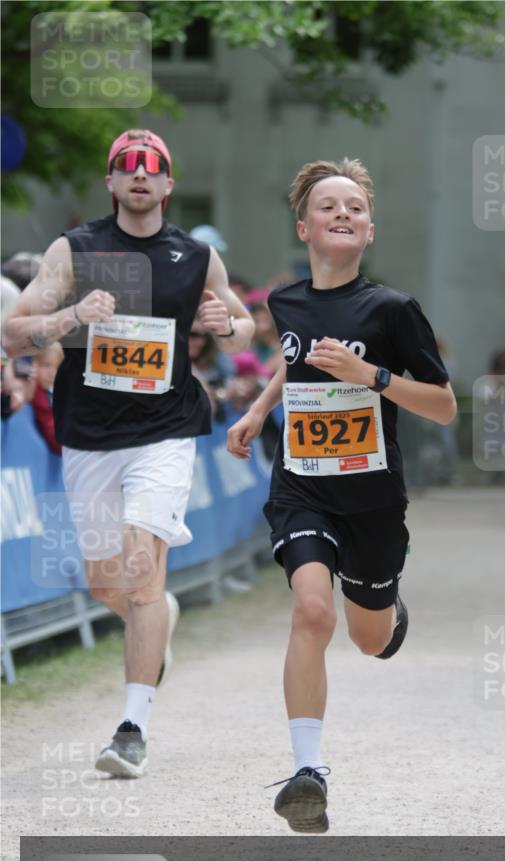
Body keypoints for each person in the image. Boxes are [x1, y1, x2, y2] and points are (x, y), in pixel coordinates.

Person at [3, 128, 253, 777]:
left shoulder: (196, 257)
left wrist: (231, 327)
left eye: (153, 166)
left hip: (166, 430)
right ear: (111, 182)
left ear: (168, 184)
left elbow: (243, 320)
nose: (140, 174)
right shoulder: (75, 249)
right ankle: (157, 616)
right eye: (126, 165)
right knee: (105, 581)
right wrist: (67, 318)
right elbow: (11, 332)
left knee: (143, 566)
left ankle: (131, 728)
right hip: (88, 436)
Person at [227, 158, 457, 833]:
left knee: (367, 637)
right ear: (304, 226)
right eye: (330, 205)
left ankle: (387, 612)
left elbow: (443, 406)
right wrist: (259, 410)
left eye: (355, 206)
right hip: (302, 486)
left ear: (370, 230)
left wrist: (371, 374)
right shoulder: (286, 303)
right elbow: (294, 362)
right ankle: (308, 772)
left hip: (373, 499)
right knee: (310, 612)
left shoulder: (392, 311)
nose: (343, 213)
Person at [31, 342, 64, 454]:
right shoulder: (35, 395)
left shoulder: (51, 394)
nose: (52, 373)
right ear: (33, 365)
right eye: (46, 365)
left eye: (57, 367)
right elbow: (56, 439)